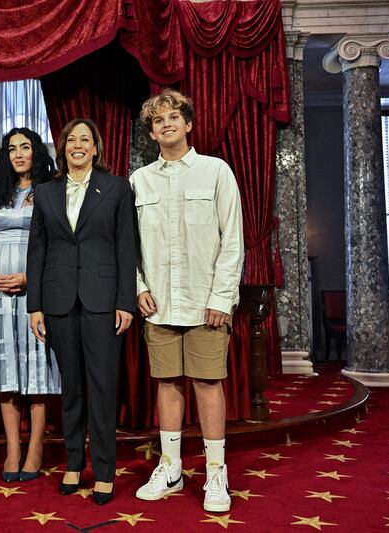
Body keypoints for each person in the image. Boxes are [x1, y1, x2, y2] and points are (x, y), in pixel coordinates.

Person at [130, 89, 244, 513]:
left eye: (174, 117)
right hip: (158, 302)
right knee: (166, 383)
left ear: (189, 123)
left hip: (205, 302)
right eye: (158, 120)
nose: (166, 124)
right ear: (152, 131)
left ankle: (216, 473)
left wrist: (221, 296)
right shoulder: (139, 180)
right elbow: (130, 246)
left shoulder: (217, 172)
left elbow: (232, 240)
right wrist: (138, 287)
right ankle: (172, 467)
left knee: (208, 382)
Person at [27, 119, 136, 505]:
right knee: (71, 389)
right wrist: (35, 306)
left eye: (84, 139)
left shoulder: (118, 187)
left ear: (96, 148)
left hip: (104, 302)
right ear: (64, 148)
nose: (77, 145)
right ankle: (74, 463)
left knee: (103, 389)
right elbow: (36, 250)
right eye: (71, 139)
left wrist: (126, 301)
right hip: (57, 302)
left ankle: (104, 470)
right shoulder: (45, 192)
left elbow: (126, 247)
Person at [0, 127, 61, 483]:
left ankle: (35, 446)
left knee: (37, 369)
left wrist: (30, 277)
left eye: (25, 147)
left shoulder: (52, 190)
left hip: (36, 287)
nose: (18, 154)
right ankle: (12, 448)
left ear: (36, 151)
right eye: (11, 149)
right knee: (6, 371)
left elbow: (59, 242)